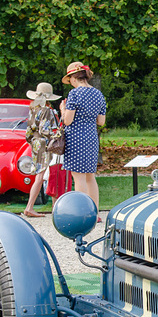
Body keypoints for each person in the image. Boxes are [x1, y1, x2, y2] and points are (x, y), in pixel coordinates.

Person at [60, 61, 107, 216]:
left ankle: (81, 212)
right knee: (90, 177)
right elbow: (101, 121)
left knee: (78, 177)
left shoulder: (74, 94)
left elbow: (68, 120)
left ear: (73, 78)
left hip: (76, 137)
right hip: (91, 137)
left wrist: (62, 110)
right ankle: (95, 212)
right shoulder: (98, 94)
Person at [22, 82, 62, 217]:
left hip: (35, 142)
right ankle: (31, 207)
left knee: (41, 175)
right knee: (43, 175)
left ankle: (31, 206)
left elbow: (29, 130)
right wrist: (57, 135)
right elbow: (44, 130)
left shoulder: (33, 108)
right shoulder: (46, 110)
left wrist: (32, 142)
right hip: (44, 143)